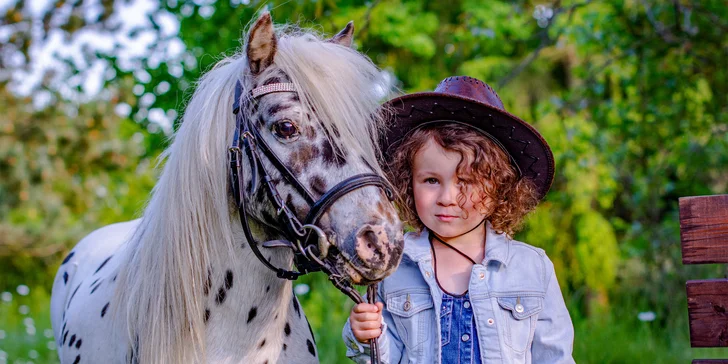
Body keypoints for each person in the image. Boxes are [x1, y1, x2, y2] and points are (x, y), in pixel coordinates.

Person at [342, 76, 575, 363]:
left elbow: (555, 357)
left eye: (466, 181)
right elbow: (383, 358)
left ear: (500, 189)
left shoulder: (532, 269)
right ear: (407, 183)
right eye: (430, 180)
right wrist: (366, 336)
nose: (447, 197)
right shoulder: (393, 269)